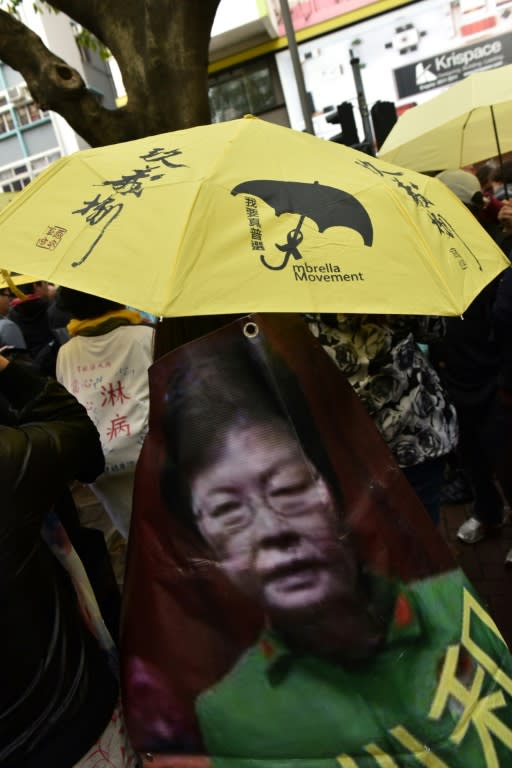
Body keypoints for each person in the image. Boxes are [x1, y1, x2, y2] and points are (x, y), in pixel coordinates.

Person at [161, 335, 512, 767]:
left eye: (288, 489)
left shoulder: (451, 609)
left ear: (332, 492)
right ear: (205, 543)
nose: (273, 531)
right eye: (228, 511)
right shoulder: (230, 714)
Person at [0, 350, 137, 767]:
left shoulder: (66, 351)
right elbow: (80, 441)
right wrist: (8, 372)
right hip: (59, 720)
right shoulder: (10, 461)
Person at [304, 313, 457, 525]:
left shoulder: (282, 292)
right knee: (421, 543)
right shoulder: (389, 281)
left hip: (400, 437)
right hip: (408, 430)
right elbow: (434, 330)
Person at [431, 169, 506, 546]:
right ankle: (487, 512)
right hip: (453, 375)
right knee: (471, 456)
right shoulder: (435, 250)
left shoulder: (497, 248)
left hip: (493, 377)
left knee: (506, 459)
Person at [56, 288, 154, 538]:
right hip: (151, 454)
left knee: (136, 538)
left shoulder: (66, 352)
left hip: (101, 464)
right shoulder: (145, 337)